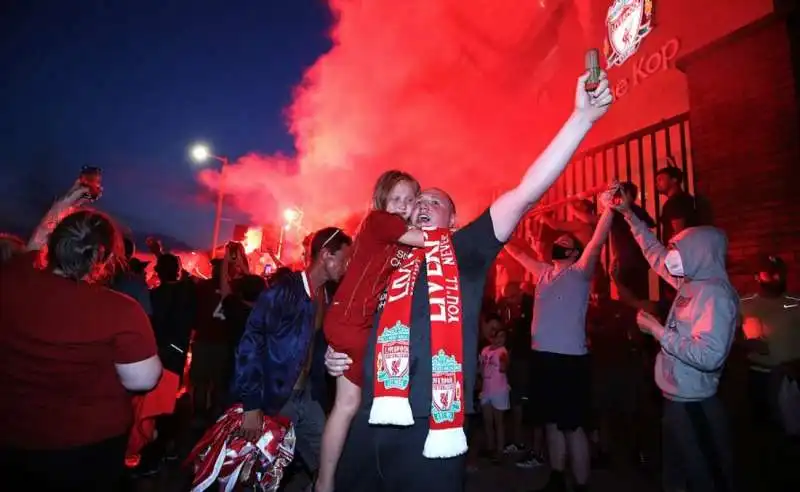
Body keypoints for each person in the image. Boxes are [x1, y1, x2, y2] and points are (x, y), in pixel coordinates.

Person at [324, 68, 613, 491]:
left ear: (453, 219)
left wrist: (581, 120)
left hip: (431, 431)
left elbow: (526, 191)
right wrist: (342, 355)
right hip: (370, 421)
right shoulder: (392, 259)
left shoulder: (465, 250)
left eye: (434, 203)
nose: (422, 206)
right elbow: (364, 322)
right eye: (417, 202)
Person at [0, 203, 161, 491]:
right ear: (102, 256)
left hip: (13, 437)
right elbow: (144, 379)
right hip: (87, 447)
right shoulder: (120, 309)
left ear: (53, 245)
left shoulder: (11, 280)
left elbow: (30, 250)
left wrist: (62, 203)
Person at [615, 193, 738, 492]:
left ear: (699, 252)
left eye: (680, 251)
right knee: (677, 477)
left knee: (707, 477)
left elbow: (710, 355)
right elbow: (655, 254)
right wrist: (628, 214)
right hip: (675, 401)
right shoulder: (690, 284)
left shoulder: (715, 295)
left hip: (696, 405)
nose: (672, 257)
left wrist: (658, 332)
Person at [315, 170, 424, 492]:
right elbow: (426, 239)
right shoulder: (380, 221)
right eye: (397, 199)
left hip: (349, 321)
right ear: (382, 200)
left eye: (409, 200)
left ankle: (325, 482)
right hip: (351, 322)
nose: (403, 206)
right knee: (359, 408)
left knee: (347, 407)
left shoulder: (394, 235)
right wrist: (462, 231)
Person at [504, 185, 618, 492]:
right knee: (551, 423)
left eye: (565, 241)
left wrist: (609, 207)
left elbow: (597, 241)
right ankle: (556, 478)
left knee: (573, 426)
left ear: (573, 252)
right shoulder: (542, 272)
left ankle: (580, 485)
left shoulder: (580, 272)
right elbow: (513, 249)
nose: (559, 241)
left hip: (569, 361)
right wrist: (506, 219)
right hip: (542, 358)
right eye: (558, 240)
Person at [233, 227, 352, 485]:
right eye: (343, 259)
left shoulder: (328, 295)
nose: (346, 266)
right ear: (326, 256)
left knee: (330, 463)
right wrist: (251, 404)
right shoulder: (284, 292)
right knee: (261, 475)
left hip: (306, 397)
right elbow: (250, 344)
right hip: (276, 400)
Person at [479, 316, 510, 462]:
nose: (499, 340)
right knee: (487, 421)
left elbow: (504, 367)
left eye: (503, 337)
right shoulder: (485, 350)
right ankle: (490, 447)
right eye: (497, 336)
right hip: (486, 390)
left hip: (499, 391)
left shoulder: (502, 351)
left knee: (499, 422)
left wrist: (504, 363)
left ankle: (500, 451)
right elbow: (481, 368)